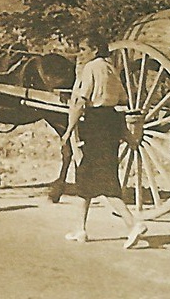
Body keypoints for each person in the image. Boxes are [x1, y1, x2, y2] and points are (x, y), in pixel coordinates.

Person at [60, 40, 148, 249]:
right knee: (86, 175)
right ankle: (80, 229)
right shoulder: (111, 69)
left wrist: (68, 130)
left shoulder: (91, 68)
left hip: (95, 124)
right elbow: (122, 99)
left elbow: (81, 102)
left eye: (83, 49)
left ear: (95, 49)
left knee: (102, 178)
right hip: (111, 121)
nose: (80, 53)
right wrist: (127, 134)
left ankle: (133, 224)